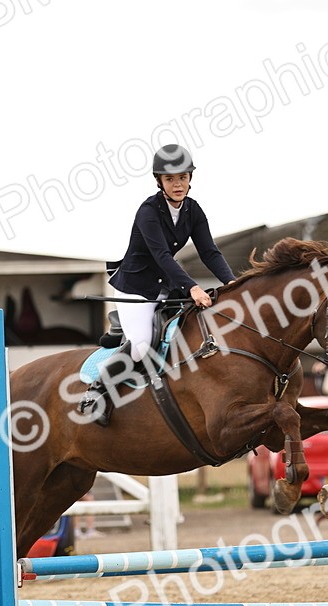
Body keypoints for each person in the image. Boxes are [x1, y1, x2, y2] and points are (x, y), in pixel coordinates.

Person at [81, 144, 236, 426]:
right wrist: (192, 288)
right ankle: (96, 392)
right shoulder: (148, 211)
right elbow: (162, 256)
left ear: (190, 178)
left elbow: (209, 252)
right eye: (170, 179)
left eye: (182, 178)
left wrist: (234, 283)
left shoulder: (193, 210)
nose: (177, 184)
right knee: (141, 346)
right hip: (136, 287)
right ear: (159, 181)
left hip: (166, 286)